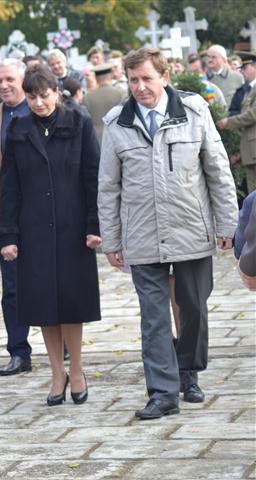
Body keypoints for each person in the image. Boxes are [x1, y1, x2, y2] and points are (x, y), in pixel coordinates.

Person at [99, 48, 239, 420]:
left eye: (147, 78)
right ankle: (162, 392)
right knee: (154, 317)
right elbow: (108, 187)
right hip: (142, 234)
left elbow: (218, 171)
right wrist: (112, 240)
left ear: (164, 76)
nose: (140, 87)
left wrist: (228, 225)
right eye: (133, 81)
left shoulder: (194, 113)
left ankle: (188, 372)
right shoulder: (117, 124)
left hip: (191, 227)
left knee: (193, 307)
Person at [0, 64, 101, 407]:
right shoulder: (17, 128)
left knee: (72, 303)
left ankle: (78, 369)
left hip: (73, 227)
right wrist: (8, 235)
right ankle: (57, 372)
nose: (39, 103)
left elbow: (92, 177)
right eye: (32, 97)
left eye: (45, 96)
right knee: (43, 306)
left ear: (57, 93)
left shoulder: (79, 122)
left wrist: (94, 226)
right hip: (33, 229)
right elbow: (9, 186)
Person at [0, 58, 33, 377]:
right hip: (4, 214)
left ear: (24, 81)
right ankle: (18, 350)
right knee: (12, 286)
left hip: (42, 212)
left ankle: (64, 343)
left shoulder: (40, 109)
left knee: (50, 279)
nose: (3, 85)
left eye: (9, 79)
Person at [217, 51, 256, 193]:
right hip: (249, 151)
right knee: (252, 197)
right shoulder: (248, 90)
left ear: (254, 67)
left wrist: (228, 122)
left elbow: (252, 115)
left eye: (245, 68)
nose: (242, 72)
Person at [82, 62, 127, 143]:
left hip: (97, 140)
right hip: (120, 138)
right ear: (111, 76)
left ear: (95, 78)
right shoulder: (122, 93)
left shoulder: (87, 98)